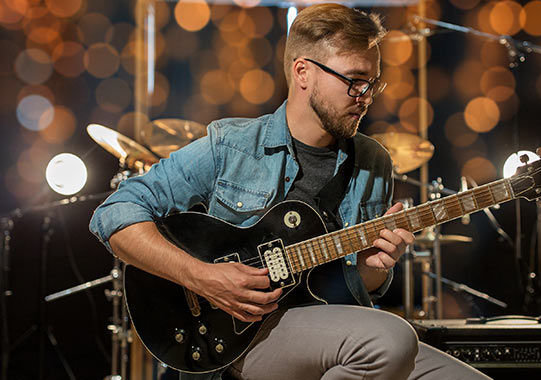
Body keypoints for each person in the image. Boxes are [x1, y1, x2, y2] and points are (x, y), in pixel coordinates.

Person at [90, 4, 490, 380]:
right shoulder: (231, 144)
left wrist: (373, 266)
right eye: (353, 82)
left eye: (372, 84)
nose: (365, 98)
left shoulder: (374, 162)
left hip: (328, 328)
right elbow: (113, 213)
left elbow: (352, 288)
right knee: (391, 340)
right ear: (303, 72)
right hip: (241, 335)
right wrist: (203, 277)